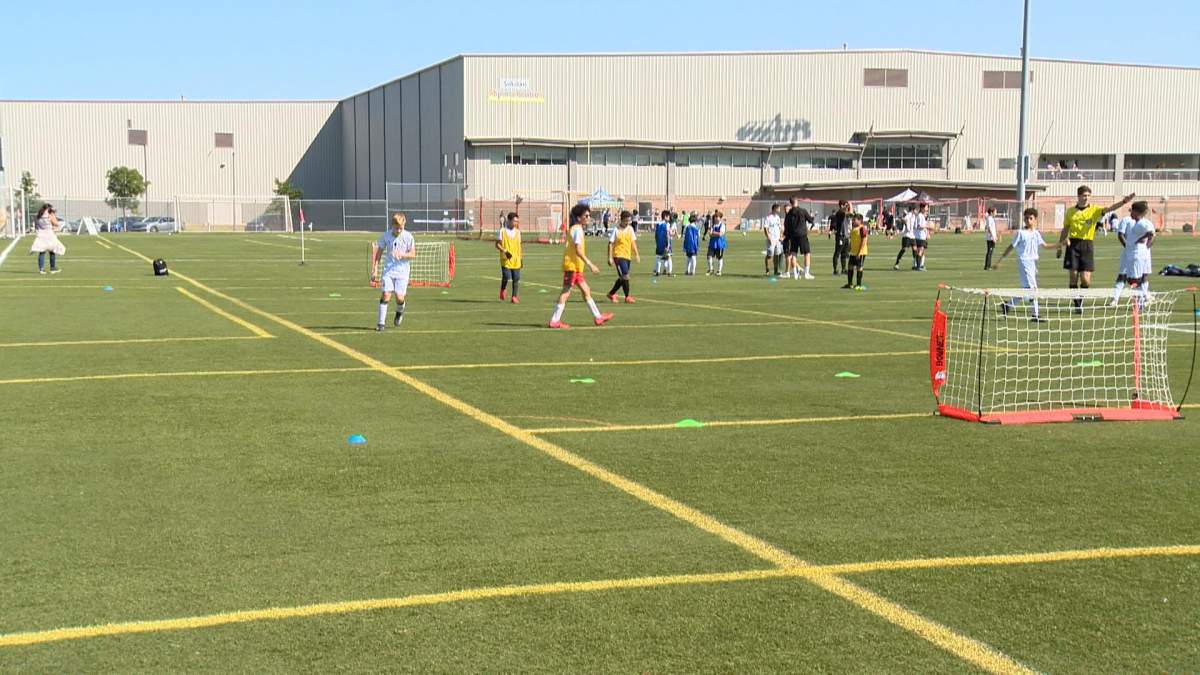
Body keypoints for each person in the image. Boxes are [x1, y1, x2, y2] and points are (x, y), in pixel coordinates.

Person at [1055, 186, 1135, 312]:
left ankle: (1080, 299)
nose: (1086, 197)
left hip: (1087, 245)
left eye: (1088, 195)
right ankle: (1076, 304)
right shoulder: (1070, 211)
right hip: (1073, 244)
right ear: (1079, 196)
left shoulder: (1094, 210)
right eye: (1084, 195)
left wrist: (1124, 201)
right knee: (1073, 276)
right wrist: (1060, 246)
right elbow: (1065, 229)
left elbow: (1110, 209)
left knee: (1086, 279)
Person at [549, 203, 613, 329]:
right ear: (579, 218)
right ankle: (554, 320)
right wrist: (590, 264)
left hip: (576, 267)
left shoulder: (576, 229)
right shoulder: (577, 230)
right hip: (572, 266)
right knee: (566, 292)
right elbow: (578, 250)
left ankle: (598, 317)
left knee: (586, 290)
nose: (588, 217)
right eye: (586, 215)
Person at [993, 208, 1056, 322]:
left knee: (1027, 289)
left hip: (1032, 263)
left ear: (1035, 219)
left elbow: (1045, 246)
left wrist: (1060, 244)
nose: (1028, 220)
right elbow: (1011, 246)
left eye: (1030, 218)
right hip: (1024, 262)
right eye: (1026, 218)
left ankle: (1008, 305)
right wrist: (1000, 260)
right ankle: (1035, 315)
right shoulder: (1020, 233)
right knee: (1033, 289)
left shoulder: (1036, 234)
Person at [371, 213, 416, 332]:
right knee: (386, 294)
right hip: (389, 271)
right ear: (392, 225)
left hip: (402, 272)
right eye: (397, 228)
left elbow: (413, 254)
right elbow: (379, 252)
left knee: (399, 298)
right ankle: (381, 324)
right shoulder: (386, 235)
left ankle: (399, 312)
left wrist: (402, 255)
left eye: (401, 228)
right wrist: (375, 268)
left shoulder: (408, 236)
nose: (399, 230)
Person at [1111, 201, 1155, 305]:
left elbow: (1151, 233)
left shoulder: (1143, 223)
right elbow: (1121, 235)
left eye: (1132, 210)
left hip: (1138, 254)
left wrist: (1144, 245)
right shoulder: (1129, 221)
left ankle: (1141, 301)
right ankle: (1118, 298)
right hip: (1131, 253)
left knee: (1136, 279)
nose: (1130, 212)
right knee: (1128, 277)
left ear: (1137, 211)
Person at [606, 210, 640, 303]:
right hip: (618, 256)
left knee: (623, 277)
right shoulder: (616, 229)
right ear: (621, 220)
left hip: (627, 256)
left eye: (629, 221)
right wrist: (609, 257)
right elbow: (610, 243)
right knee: (625, 275)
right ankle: (627, 297)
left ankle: (611, 293)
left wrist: (636, 254)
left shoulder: (630, 229)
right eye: (626, 221)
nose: (628, 223)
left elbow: (633, 242)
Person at [783, 197, 815, 279]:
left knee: (794, 253)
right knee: (807, 253)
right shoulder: (802, 211)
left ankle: (795, 274)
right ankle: (807, 273)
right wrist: (812, 216)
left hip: (793, 236)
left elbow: (786, 226)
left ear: (791, 203)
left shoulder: (789, 213)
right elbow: (810, 220)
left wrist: (787, 235)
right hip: (802, 235)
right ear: (796, 201)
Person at [494, 212, 523, 303]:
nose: (516, 223)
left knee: (516, 278)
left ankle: (514, 297)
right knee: (506, 276)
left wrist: (521, 258)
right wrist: (505, 251)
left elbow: (519, 246)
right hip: (506, 258)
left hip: (516, 259)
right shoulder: (502, 231)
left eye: (517, 221)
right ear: (509, 221)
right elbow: (497, 244)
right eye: (514, 221)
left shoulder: (518, 232)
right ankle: (503, 289)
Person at [29, 204, 66, 274]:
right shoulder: (49, 215)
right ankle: (52, 268)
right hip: (49, 235)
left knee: (42, 252)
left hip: (41, 235)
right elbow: (56, 223)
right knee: (52, 251)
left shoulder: (39, 216)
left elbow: (36, 226)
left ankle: (41, 269)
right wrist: (53, 215)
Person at [843, 213, 869, 290]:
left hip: (860, 252)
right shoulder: (853, 229)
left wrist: (859, 252)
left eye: (854, 220)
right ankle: (850, 284)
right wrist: (849, 248)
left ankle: (859, 284)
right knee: (850, 266)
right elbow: (852, 240)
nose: (853, 221)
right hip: (853, 252)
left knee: (859, 267)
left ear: (860, 220)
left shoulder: (862, 228)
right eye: (853, 220)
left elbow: (864, 240)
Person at [829, 200, 852, 275]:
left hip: (845, 236)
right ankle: (835, 270)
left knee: (844, 254)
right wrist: (850, 205)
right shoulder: (840, 212)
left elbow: (851, 215)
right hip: (840, 236)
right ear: (841, 205)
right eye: (845, 205)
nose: (846, 206)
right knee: (837, 253)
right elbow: (849, 213)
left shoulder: (844, 213)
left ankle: (844, 269)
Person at [892, 204, 917, 270]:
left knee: (914, 249)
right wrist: (906, 224)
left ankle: (915, 264)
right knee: (904, 249)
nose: (916, 211)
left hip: (912, 236)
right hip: (907, 235)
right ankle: (897, 263)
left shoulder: (914, 216)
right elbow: (903, 219)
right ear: (913, 210)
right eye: (915, 209)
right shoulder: (908, 215)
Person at [763, 203, 784, 276]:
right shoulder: (768, 217)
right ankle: (767, 269)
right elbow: (765, 228)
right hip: (771, 239)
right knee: (769, 255)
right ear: (774, 209)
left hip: (777, 239)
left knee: (777, 254)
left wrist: (781, 236)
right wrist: (768, 237)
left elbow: (780, 227)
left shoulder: (778, 217)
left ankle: (776, 270)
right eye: (778, 208)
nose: (779, 210)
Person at [654, 211, 676, 276]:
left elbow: (656, 235)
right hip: (666, 243)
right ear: (665, 216)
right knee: (669, 257)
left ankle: (657, 272)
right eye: (668, 216)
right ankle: (669, 272)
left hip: (659, 243)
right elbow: (667, 234)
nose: (669, 218)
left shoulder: (658, 224)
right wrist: (673, 233)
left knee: (658, 257)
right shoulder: (667, 224)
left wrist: (657, 242)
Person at [706, 210, 727, 276]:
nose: (715, 218)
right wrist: (714, 234)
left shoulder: (722, 225)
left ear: (720, 218)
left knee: (719, 258)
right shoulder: (712, 225)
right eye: (715, 217)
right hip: (712, 244)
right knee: (709, 256)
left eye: (717, 217)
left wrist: (713, 233)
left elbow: (720, 234)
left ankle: (719, 271)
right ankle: (711, 269)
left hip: (719, 244)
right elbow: (709, 234)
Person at [912, 202, 930, 271]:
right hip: (920, 236)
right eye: (926, 207)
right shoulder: (920, 216)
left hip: (920, 236)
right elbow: (919, 226)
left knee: (920, 251)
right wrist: (927, 226)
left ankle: (917, 266)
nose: (927, 208)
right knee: (920, 251)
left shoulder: (921, 215)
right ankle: (918, 266)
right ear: (922, 208)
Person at [983, 207, 1000, 271]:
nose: (996, 213)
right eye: (995, 212)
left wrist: (996, 236)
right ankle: (987, 266)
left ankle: (988, 266)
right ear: (991, 212)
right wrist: (993, 237)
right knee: (989, 252)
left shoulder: (991, 218)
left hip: (991, 237)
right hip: (990, 238)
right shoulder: (989, 218)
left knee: (990, 252)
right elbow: (989, 228)